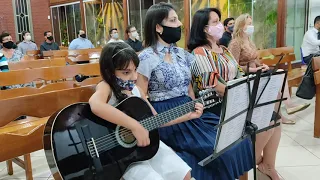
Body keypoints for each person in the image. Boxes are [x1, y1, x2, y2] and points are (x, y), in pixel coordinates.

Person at [136, 3, 253, 180]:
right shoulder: (145, 57)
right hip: (166, 114)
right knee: (216, 150)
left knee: (237, 139)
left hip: (189, 108)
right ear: (158, 27)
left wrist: (196, 106)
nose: (179, 25)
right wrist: (152, 120)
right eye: (173, 20)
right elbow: (140, 95)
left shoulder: (181, 54)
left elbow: (189, 87)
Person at [89, 42, 206, 180]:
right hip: (120, 156)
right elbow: (95, 105)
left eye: (135, 70)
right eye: (126, 72)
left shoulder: (136, 90)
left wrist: (188, 116)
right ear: (109, 72)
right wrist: (135, 126)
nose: (134, 77)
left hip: (145, 149)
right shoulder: (106, 87)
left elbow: (156, 120)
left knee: (184, 174)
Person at [229, 13, 310, 122]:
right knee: (277, 85)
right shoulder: (235, 43)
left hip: (257, 72)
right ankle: (286, 109)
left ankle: (284, 111)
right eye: (249, 24)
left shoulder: (250, 41)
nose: (251, 26)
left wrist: (262, 65)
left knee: (280, 77)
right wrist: (253, 69)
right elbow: (234, 66)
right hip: (247, 75)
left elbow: (255, 60)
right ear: (242, 26)